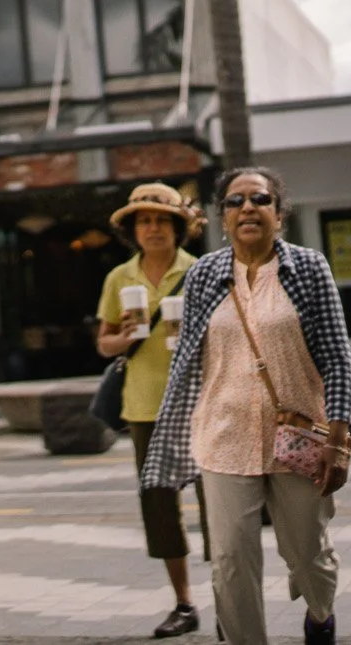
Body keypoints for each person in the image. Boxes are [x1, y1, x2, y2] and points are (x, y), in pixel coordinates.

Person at [142, 167, 351, 645]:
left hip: (299, 437)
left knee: (307, 553)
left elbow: (339, 359)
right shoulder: (205, 274)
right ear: (223, 218)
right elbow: (190, 358)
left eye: (260, 199)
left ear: (279, 214)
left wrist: (338, 441)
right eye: (235, 202)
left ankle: (320, 616)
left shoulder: (309, 268)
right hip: (223, 435)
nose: (247, 209)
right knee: (231, 559)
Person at [95, 183, 202, 639]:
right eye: (144, 221)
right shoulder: (120, 278)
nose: (153, 228)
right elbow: (104, 342)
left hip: (201, 403)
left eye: (161, 219)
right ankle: (184, 603)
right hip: (143, 408)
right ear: (134, 230)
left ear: (178, 228)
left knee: (219, 503)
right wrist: (127, 339)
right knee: (159, 507)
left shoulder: (200, 272)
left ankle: (231, 591)